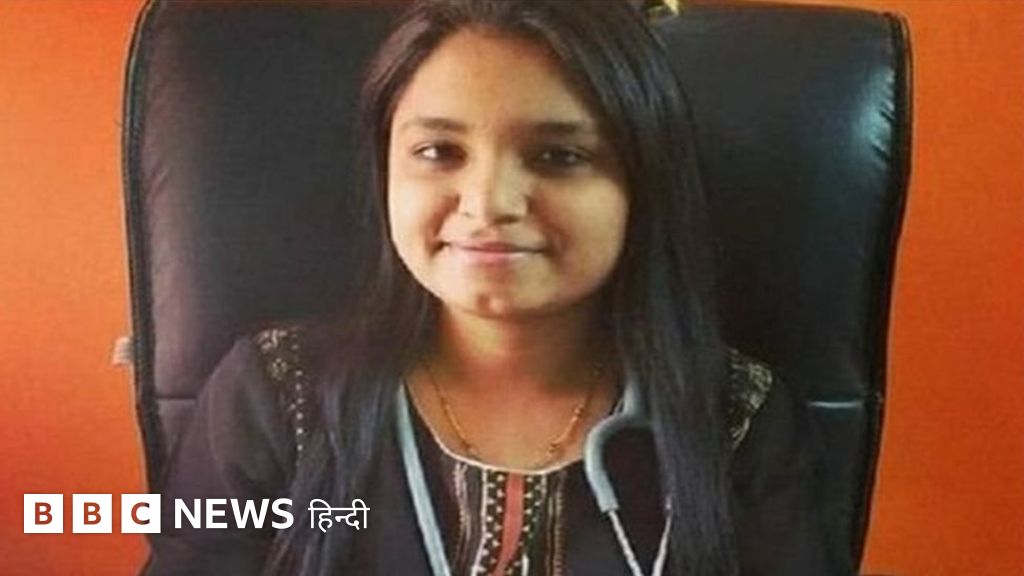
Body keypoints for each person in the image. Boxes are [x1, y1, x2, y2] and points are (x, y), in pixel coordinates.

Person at [145, 0, 840, 575]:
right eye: (438, 152)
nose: (488, 203)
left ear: (641, 185)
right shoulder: (274, 398)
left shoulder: (737, 422)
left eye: (558, 156)